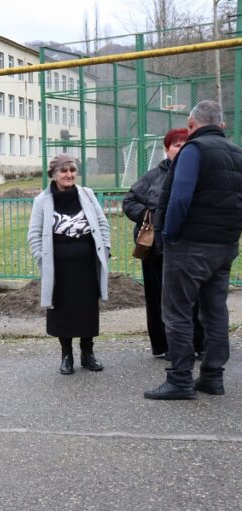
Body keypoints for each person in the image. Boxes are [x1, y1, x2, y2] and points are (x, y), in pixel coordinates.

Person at [145, 100, 242, 400]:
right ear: (221, 124)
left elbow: (179, 198)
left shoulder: (193, 150)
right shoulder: (238, 153)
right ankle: (213, 376)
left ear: (191, 124)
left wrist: (170, 235)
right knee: (214, 311)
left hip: (189, 247)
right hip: (224, 246)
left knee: (177, 313)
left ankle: (180, 379)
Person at [123, 129, 205, 361]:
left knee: (193, 297)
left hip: (189, 247)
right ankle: (165, 344)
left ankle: (198, 343)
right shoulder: (152, 176)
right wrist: (149, 215)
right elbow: (129, 201)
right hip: (156, 249)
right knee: (160, 297)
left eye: (184, 145)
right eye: (175, 145)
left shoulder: (199, 174)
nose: (180, 150)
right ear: (166, 149)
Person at [27, 153, 110, 375]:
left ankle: (87, 353)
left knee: (87, 309)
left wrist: (106, 250)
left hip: (86, 265)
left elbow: (102, 225)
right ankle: (66, 355)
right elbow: (34, 234)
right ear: (53, 174)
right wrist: (42, 259)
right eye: (63, 171)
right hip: (58, 268)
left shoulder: (88, 195)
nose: (69, 174)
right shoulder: (42, 201)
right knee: (62, 310)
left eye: (72, 170)